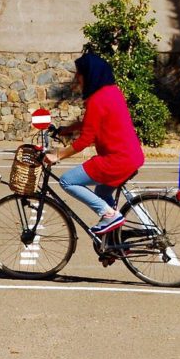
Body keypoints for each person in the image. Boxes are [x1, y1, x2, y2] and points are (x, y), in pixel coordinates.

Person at [44, 52, 145, 234]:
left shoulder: (97, 100)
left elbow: (85, 141)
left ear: (90, 74)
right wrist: (68, 129)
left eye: (79, 73)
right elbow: (93, 123)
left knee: (68, 181)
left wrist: (57, 155)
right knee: (102, 193)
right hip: (131, 156)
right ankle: (113, 240)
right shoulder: (111, 91)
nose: (76, 78)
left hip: (116, 160)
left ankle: (110, 216)